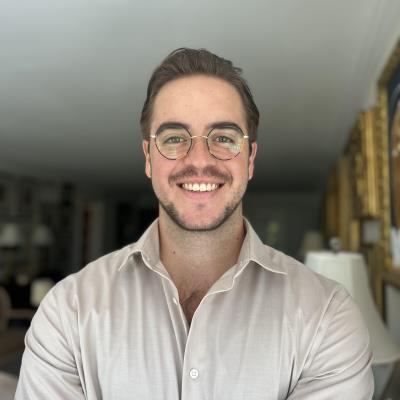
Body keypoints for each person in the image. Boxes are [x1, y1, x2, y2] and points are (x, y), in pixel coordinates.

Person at [16, 48, 374, 399]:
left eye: (224, 138)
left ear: (249, 158)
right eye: (174, 138)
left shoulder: (327, 317)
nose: (200, 160)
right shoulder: (69, 311)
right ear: (148, 157)